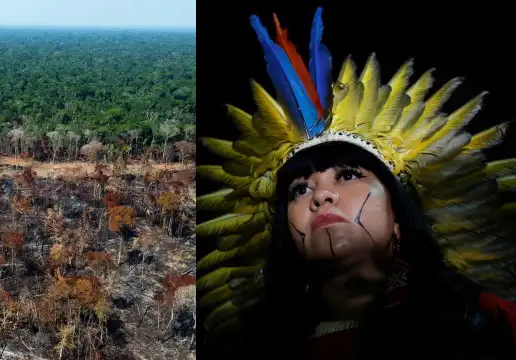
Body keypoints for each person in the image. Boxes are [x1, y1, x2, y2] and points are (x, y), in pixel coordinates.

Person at [196, 7, 516, 360]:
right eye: (299, 190)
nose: (320, 195)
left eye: (348, 175)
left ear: (398, 218)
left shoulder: (485, 319)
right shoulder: (258, 350)